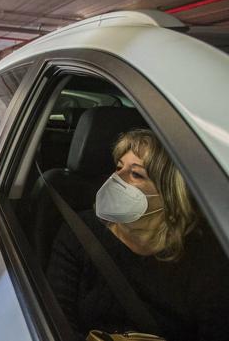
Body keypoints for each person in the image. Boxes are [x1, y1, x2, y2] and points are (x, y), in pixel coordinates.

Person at [47, 129, 229, 341]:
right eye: (118, 167)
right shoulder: (81, 232)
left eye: (136, 174)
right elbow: (56, 321)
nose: (116, 179)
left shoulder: (208, 262)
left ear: (171, 194)